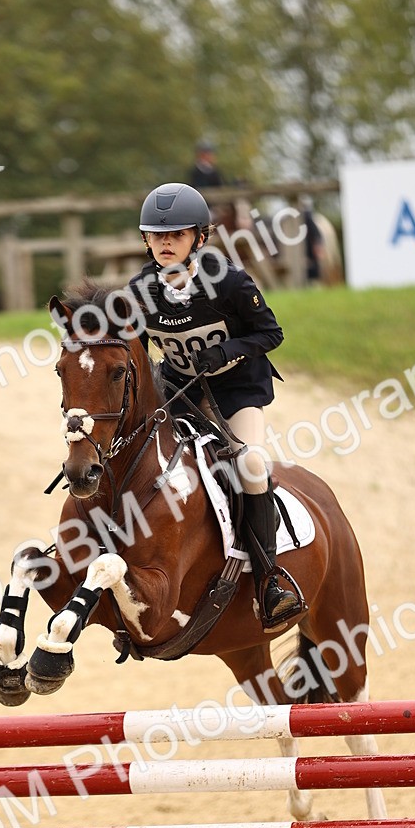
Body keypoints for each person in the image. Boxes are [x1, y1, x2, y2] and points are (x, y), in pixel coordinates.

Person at [128, 182, 303, 628]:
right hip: (181, 392)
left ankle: (270, 580)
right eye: (157, 235)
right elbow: (136, 351)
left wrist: (225, 352)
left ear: (200, 238)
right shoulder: (140, 290)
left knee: (250, 467)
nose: (165, 244)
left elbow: (272, 334)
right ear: (146, 239)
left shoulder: (229, 282)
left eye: (177, 235)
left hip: (236, 391)